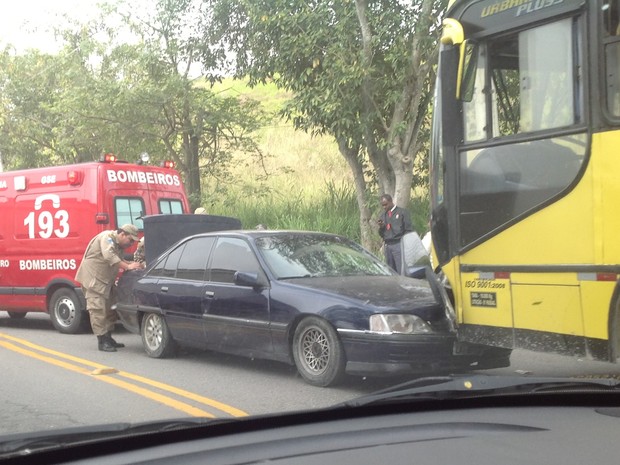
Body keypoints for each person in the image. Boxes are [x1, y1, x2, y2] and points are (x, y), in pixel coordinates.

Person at [75, 224, 143, 352]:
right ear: (122, 234)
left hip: (106, 282)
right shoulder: (107, 238)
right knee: (98, 311)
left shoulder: (118, 244)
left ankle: (108, 337)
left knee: (110, 310)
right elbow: (109, 256)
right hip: (94, 281)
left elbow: (118, 259)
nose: (131, 244)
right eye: (130, 240)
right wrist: (128, 267)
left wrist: (133, 264)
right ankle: (102, 341)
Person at [377, 193, 413, 274]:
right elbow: (382, 234)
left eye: (386, 204)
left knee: (401, 269)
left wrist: (405, 245)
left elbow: (408, 230)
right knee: (390, 270)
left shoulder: (402, 212)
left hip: (398, 244)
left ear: (391, 202)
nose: (384, 207)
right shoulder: (383, 215)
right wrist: (381, 227)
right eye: (382, 205)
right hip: (388, 245)